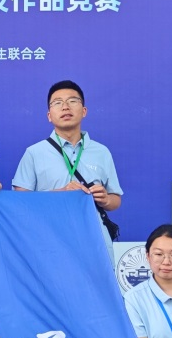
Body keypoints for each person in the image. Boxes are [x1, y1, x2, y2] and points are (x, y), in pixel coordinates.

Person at [12, 80, 121, 245]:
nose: (65, 107)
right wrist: (60, 193)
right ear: (49, 115)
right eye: (57, 103)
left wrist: (106, 199)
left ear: (84, 111)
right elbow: (20, 202)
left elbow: (115, 200)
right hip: (49, 238)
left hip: (93, 238)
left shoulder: (101, 152)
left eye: (72, 101)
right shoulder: (34, 153)